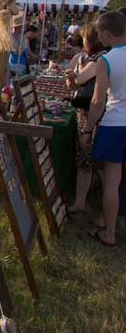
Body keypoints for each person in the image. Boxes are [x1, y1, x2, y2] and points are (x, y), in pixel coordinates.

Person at [81, 10, 126, 246]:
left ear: (108, 35)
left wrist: (87, 130)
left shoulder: (106, 60)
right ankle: (107, 221)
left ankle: (109, 232)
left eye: (100, 33)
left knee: (111, 180)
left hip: (115, 123)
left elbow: (98, 100)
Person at [65, 24, 108, 214]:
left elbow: (79, 80)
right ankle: (88, 200)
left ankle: (85, 202)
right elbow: (73, 84)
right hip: (92, 114)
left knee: (88, 161)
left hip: (92, 115)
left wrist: (74, 72)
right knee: (92, 163)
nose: (82, 42)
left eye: (84, 38)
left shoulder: (98, 59)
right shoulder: (99, 58)